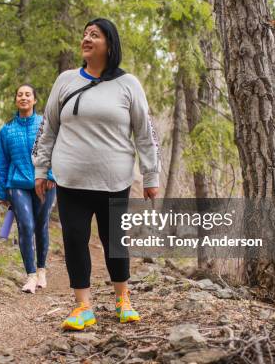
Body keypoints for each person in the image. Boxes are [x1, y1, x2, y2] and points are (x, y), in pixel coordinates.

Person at [32, 18, 161, 330]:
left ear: (109, 44)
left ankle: (123, 299)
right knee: (75, 240)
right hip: (70, 179)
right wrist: (40, 168)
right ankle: (83, 306)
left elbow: (145, 133)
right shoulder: (65, 80)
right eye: (85, 34)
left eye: (95, 35)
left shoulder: (128, 84)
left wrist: (151, 176)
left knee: (114, 240)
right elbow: (48, 127)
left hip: (114, 180)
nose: (86, 39)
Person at [0, 84, 57, 294]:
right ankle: (30, 276)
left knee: (41, 226)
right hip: (18, 185)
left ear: (34, 100)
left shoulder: (45, 124)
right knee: (26, 225)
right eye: (20, 95)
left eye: (27, 94)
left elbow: (55, 151)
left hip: (46, 185)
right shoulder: (6, 130)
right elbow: (2, 162)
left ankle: (41, 270)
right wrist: (3, 192)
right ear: (16, 100)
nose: (23, 97)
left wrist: (51, 175)